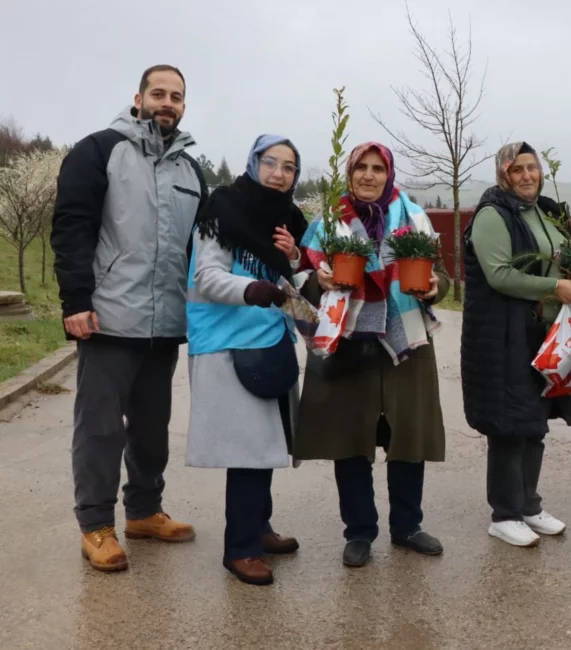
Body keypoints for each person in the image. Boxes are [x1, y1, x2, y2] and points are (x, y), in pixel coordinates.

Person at [51, 65, 206, 572]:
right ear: (137, 97)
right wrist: (75, 301)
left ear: (184, 105)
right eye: (158, 93)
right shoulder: (99, 150)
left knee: (151, 427)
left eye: (176, 96)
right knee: (99, 429)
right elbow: (72, 227)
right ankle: (95, 525)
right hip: (109, 320)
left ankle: (143, 510)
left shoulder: (190, 169)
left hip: (164, 324)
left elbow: (197, 248)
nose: (168, 102)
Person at [295, 142, 450, 567]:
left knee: (408, 439)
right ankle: (359, 532)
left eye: (377, 168)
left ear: (389, 173)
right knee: (351, 441)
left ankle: (407, 527)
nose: (368, 175)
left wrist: (437, 287)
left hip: (407, 341)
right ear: (349, 174)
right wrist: (319, 282)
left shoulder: (415, 217)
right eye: (361, 168)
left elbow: (441, 276)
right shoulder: (328, 222)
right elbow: (302, 276)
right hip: (348, 340)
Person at [185, 134, 309, 586]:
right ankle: (240, 550)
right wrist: (251, 290)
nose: (279, 173)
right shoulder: (221, 210)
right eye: (271, 162)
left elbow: (296, 277)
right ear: (253, 163)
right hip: (227, 343)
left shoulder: (289, 219)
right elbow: (208, 277)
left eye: (289, 167)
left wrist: (295, 256)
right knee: (247, 451)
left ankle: (259, 526)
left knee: (266, 444)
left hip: (269, 341)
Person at [461, 141, 571, 547]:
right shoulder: (493, 215)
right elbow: (500, 275)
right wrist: (555, 287)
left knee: (534, 423)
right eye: (518, 169)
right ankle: (505, 513)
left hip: (543, 335)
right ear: (503, 174)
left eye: (533, 168)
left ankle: (530, 504)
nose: (527, 175)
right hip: (505, 334)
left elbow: (560, 257)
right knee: (509, 425)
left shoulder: (544, 211)